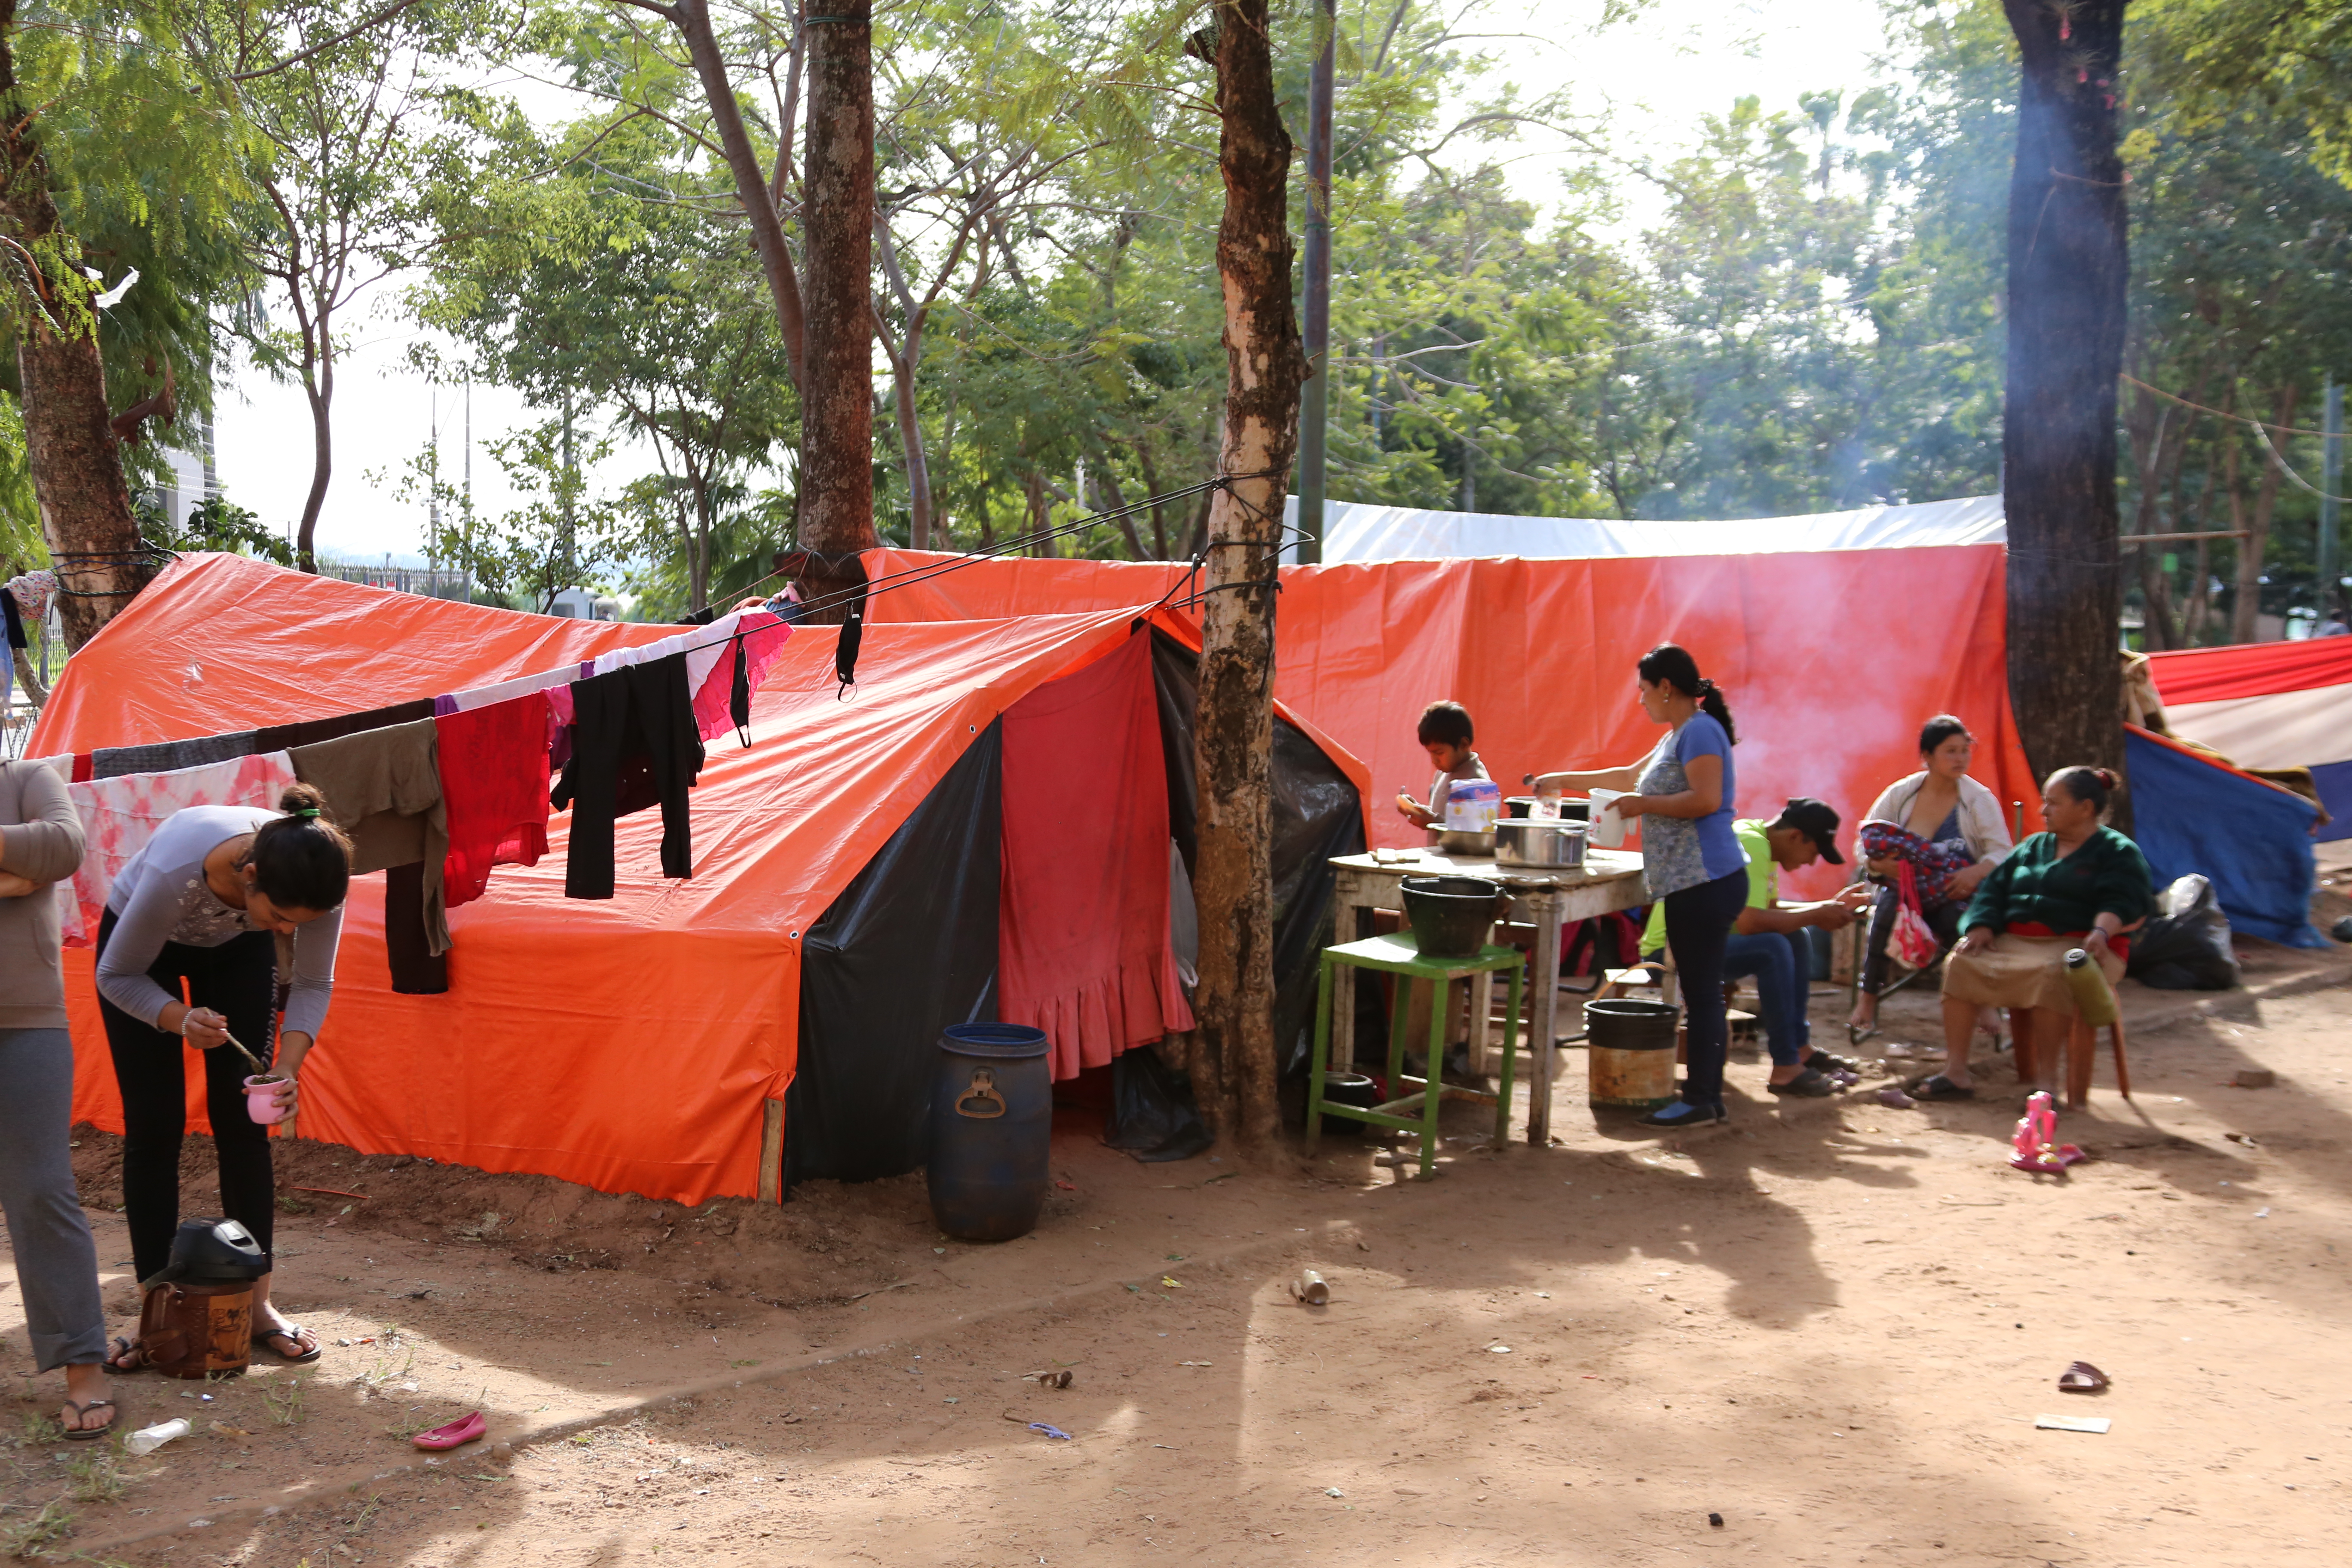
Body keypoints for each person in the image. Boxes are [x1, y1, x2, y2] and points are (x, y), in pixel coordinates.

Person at [99, 785, 351, 1370]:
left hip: (238, 948)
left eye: (300, 924)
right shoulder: (175, 869)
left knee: (244, 1122)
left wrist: (285, 1069)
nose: (290, 933)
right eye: (283, 920)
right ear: (251, 875)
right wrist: (176, 1018)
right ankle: (155, 1313)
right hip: (144, 957)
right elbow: (117, 975)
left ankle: (256, 1305)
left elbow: (313, 983)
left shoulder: (315, 883)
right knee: (154, 1129)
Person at [1534, 643, 1745, 1127]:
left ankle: (1700, 1098)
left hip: (1705, 879)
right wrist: (1559, 780)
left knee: (1703, 993)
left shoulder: (1701, 732)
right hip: (1693, 881)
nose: (1640, 701)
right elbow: (1628, 776)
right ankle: (1704, 1097)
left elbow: (1707, 799)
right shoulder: (1679, 735)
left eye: (1644, 691)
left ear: (1666, 688)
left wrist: (1642, 806)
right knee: (1702, 990)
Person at [1907, 766, 2154, 1100]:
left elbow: (2123, 901)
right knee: (1961, 962)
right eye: (2045, 802)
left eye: (2054, 803)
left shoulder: (2117, 851)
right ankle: (1956, 1072)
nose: (2043, 811)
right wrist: (1980, 925)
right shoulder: (2032, 846)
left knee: (2052, 975)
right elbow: (1993, 890)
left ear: (2085, 808)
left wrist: (2101, 931)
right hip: (2015, 943)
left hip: (2084, 949)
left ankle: (2047, 1082)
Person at [0, 759, 116, 1438]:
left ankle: (84, 1366)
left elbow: (64, 848)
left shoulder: (28, 778)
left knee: (42, 1189)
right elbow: (37, 856)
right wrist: (16, 874)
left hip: (25, 1019)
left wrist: (35, 865)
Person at [1640, 799, 1875, 1096]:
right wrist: (1820, 913)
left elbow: (1771, 913)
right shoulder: (1752, 846)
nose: (1811, 863)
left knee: (1795, 937)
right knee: (1772, 948)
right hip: (1670, 952)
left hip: (1700, 943)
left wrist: (1828, 907)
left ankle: (1799, 1048)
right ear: (1794, 836)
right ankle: (1785, 1066)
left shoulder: (1763, 843)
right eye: (1813, 852)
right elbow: (1751, 923)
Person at [1848, 715, 2015, 1038]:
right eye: (1951, 751)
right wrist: (1879, 866)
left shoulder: (1978, 800)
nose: (1960, 758)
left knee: (1962, 922)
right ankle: (1868, 999)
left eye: (1965, 751)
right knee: (1886, 910)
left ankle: (1983, 1002)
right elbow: (1864, 841)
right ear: (1927, 756)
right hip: (1904, 892)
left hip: (1956, 890)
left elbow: (2003, 852)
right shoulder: (1902, 793)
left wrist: (1975, 872)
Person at [1396, 701, 1490, 837]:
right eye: (1431, 753)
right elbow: (1446, 817)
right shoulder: (1443, 773)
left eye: (1439, 753)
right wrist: (1418, 811)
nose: (1434, 760)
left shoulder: (1478, 783)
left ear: (1464, 744)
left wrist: (1434, 822)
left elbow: (1475, 836)